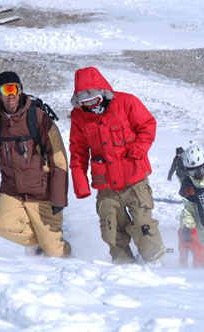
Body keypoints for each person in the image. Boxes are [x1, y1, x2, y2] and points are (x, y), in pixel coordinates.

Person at [69, 66, 165, 265]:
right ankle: (123, 269)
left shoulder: (127, 102)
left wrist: (137, 150)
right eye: (85, 103)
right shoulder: (79, 116)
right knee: (111, 233)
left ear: (102, 93)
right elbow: (78, 152)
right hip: (106, 187)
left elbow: (148, 125)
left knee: (142, 226)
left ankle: (155, 262)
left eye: (94, 100)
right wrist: (81, 184)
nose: (91, 107)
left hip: (135, 180)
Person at [0, 71, 71, 257]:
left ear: (20, 91)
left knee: (55, 253)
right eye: (6, 89)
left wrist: (59, 197)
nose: (11, 93)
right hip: (11, 190)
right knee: (3, 227)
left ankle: (65, 260)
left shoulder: (39, 118)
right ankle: (40, 241)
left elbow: (58, 160)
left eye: (15, 88)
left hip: (41, 191)